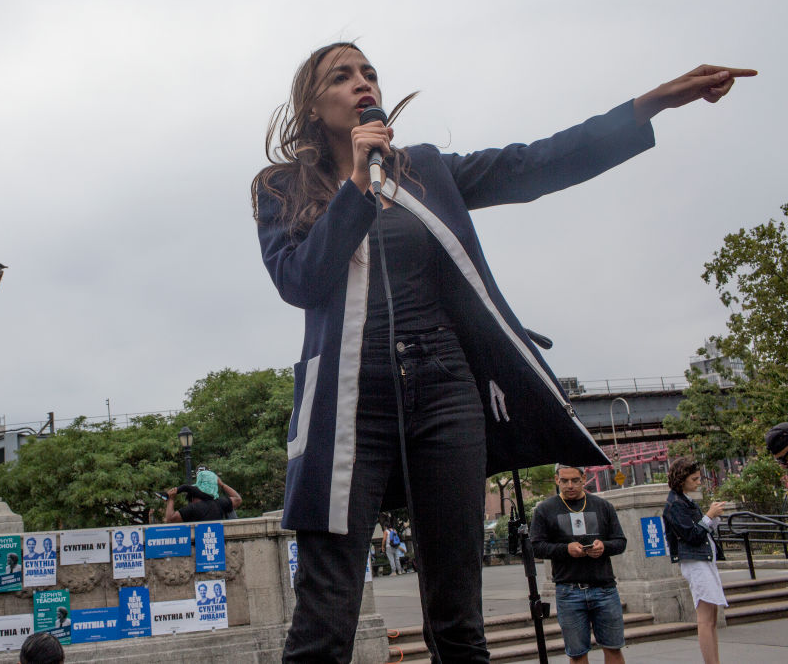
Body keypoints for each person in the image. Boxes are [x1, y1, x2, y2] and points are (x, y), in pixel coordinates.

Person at [251, 41, 754, 662]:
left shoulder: (424, 169)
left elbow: (533, 164)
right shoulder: (279, 188)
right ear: (311, 102)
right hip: (347, 400)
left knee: (458, 618)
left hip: (445, 388)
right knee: (325, 621)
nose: (363, 83)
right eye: (343, 75)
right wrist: (356, 184)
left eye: (370, 73)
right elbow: (299, 281)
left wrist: (649, 106)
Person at [531, 465, 627, 664]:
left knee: (613, 648)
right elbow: (536, 547)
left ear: (584, 478)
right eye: (564, 481)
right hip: (569, 590)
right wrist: (565, 549)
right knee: (577, 654)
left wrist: (604, 547)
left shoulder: (602, 506)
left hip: (604, 588)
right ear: (556, 480)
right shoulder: (545, 509)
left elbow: (620, 541)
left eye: (575, 480)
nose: (570, 485)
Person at [662, 457, 728, 664]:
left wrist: (711, 518)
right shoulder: (675, 505)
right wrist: (709, 516)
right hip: (695, 561)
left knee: (710, 616)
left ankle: (714, 661)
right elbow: (691, 535)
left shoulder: (683, 501)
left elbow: (698, 532)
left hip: (702, 559)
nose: (699, 482)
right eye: (695, 478)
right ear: (682, 480)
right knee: (706, 617)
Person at [164, 476, 243, 523]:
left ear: (192, 498)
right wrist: (221, 484)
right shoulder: (219, 503)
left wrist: (171, 499)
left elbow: (170, 518)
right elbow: (238, 499)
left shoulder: (193, 508)